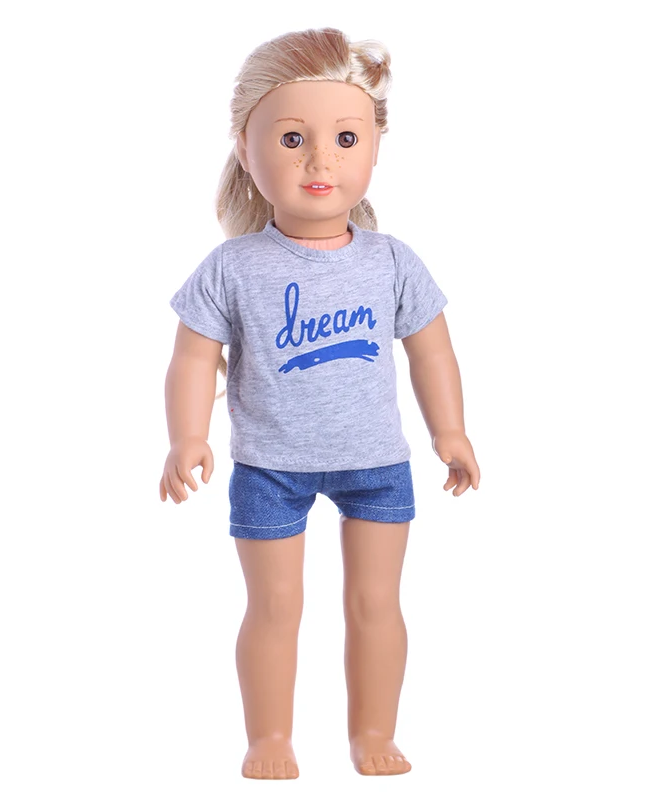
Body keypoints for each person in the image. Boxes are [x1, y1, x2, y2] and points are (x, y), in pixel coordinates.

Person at [160, 26, 481, 779]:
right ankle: (269, 737)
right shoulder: (233, 267)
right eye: (292, 138)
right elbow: (191, 357)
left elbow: (432, 350)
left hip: (377, 464)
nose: (320, 161)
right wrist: (186, 436)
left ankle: (373, 731)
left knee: (377, 603)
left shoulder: (392, 261)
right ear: (246, 150)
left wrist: (452, 431)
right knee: (274, 607)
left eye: (345, 138)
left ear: (375, 147)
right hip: (269, 467)